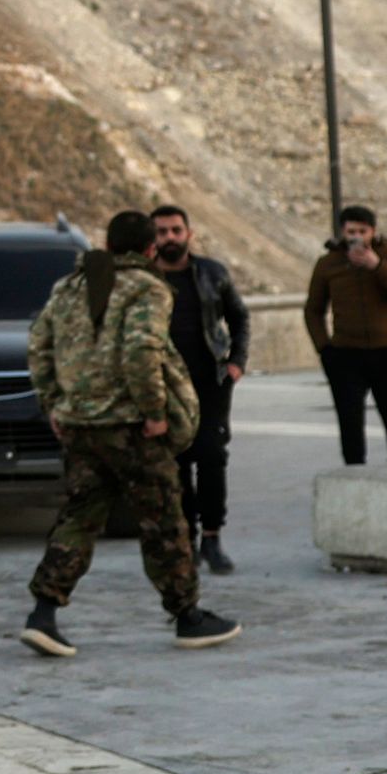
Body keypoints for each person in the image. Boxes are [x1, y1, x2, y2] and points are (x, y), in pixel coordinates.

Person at [21, 211, 233, 656]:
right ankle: (188, 616)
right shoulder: (147, 287)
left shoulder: (69, 287)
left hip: (80, 424)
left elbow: (38, 347)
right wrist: (155, 411)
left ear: (109, 244)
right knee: (163, 519)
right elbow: (141, 350)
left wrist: (54, 404)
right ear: (150, 248)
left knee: (79, 516)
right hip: (130, 427)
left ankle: (43, 613)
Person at [147, 203, 249, 574]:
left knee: (211, 459)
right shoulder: (144, 280)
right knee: (174, 466)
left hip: (211, 384)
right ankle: (184, 541)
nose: (169, 238)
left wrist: (236, 361)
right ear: (152, 237)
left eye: (175, 230)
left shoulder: (211, 274)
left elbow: (239, 318)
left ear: (188, 234)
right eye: (161, 232)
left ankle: (212, 539)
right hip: (163, 389)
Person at [304, 204, 387, 464]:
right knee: (349, 419)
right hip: (345, 354)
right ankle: (354, 474)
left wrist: (377, 266)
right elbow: (313, 310)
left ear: (373, 232)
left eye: (362, 231)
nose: (357, 237)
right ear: (342, 232)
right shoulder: (328, 264)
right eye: (351, 231)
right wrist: (325, 349)